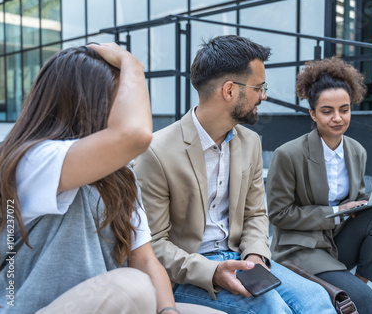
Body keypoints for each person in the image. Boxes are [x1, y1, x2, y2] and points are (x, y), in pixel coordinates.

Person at [0, 43, 223, 314]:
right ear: (86, 103)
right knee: (134, 287)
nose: (128, 107)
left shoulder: (120, 175)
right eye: (120, 97)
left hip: (111, 302)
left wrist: (168, 311)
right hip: (34, 307)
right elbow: (135, 136)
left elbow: (145, 260)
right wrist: (132, 65)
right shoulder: (34, 160)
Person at [134, 35, 336, 314]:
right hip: (189, 272)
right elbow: (152, 245)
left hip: (242, 259)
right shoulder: (155, 152)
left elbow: (255, 214)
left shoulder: (250, 142)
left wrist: (255, 255)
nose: (263, 96)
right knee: (273, 310)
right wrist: (213, 270)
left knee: (317, 300)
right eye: (259, 87)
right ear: (229, 90)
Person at [266, 57, 372, 314]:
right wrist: (335, 213)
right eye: (327, 111)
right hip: (301, 249)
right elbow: (279, 215)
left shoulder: (356, 151)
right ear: (313, 114)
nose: (337, 118)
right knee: (370, 305)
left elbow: (356, 201)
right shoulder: (288, 154)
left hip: (338, 242)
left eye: (344, 109)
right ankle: (355, 294)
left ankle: (355, 287)